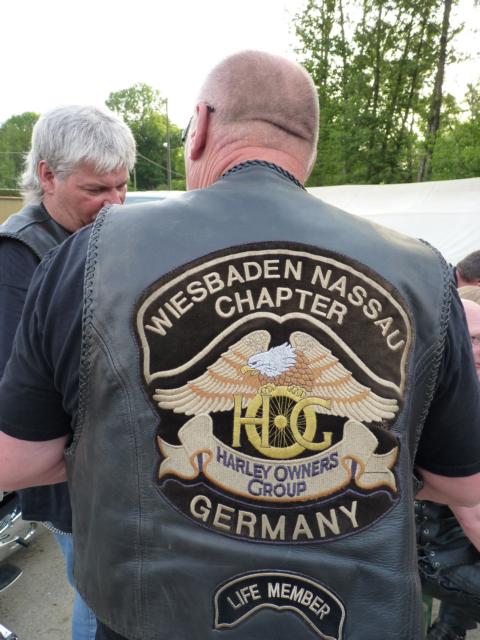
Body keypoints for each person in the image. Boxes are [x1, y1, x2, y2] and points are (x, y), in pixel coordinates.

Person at [0, 50, 480, 640]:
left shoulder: (88, 256)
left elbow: (15, 461)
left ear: (200, 126)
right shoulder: (422, 271)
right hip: (351, 620)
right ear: (309, 147)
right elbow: (464, 483)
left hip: (152, 618)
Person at [0, 105, 136, 640]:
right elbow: (22, 392)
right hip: (69, 479)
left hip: (108, 464)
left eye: (122, 186)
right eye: (97, 189)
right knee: (99, 598)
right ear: (48, 176)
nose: (114, 203)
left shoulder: (92, 235)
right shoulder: (17, 255)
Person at [418, 293, 480, 640]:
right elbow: (473, 518)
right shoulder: (444, 406)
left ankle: (446, 632)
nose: (477, 350)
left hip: (462, 547)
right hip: (436, 558)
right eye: (469, 339)